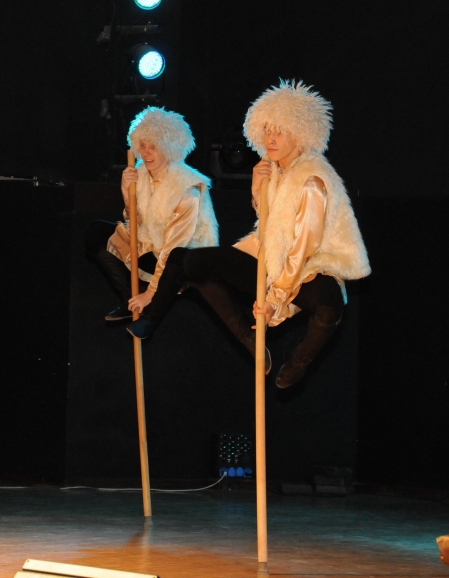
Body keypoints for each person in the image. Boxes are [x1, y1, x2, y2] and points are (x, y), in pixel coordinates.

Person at [127, 80, 370, 388]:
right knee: (189, 262)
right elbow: (271, 224)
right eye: (266, 130)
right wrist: (257, 189)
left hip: (310, 268)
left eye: (279, 131)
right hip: (271, 261)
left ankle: (298, 362)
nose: (270, 138)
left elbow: (301, 249)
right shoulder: (275, 168)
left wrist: (273, 301)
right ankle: (247, 339)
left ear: (301, 134)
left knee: (330, 304)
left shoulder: (312, 181)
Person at [87, 107, 219, 321]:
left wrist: (150, 294)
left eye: (153, 146)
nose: (146, 153)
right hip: (153, 250)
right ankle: (129, 302)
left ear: (168, 149)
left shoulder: (187, 189)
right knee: (97, 232)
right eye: (143, 145)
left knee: (175, 259)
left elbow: (173, 248)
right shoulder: (139, 174)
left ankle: (149, 309)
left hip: (181, 265)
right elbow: (135, 226)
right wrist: (126, 193)